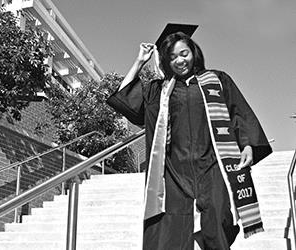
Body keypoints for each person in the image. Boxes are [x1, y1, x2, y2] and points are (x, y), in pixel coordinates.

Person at [107, 23, 272, 250]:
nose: (180, 60)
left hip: (213, 164)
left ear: (194, 52)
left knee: (220, 219)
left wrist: (248, 145)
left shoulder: (217, 80)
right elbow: (125, 99)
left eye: (184, 53)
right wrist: (140, 61)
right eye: (172, 57)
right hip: (174, 169)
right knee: (169, 229)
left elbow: (238, 112)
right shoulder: (159, 90)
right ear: (166, 61)